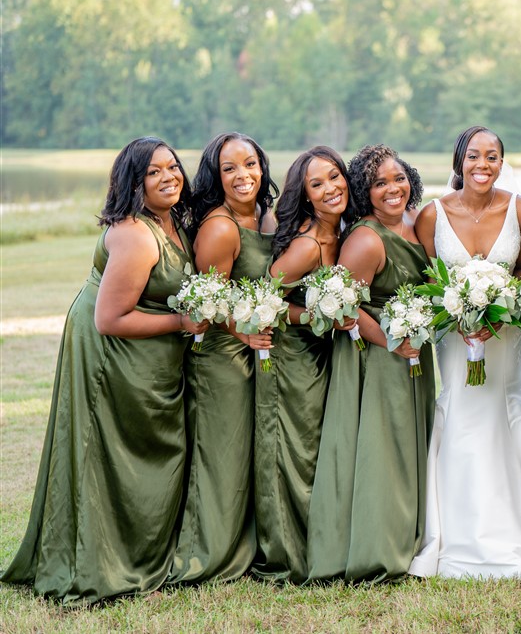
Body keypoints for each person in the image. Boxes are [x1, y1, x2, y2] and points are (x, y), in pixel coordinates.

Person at [0, 137, 208, 603]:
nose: (169, 176)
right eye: (154, 172)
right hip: (112, 352)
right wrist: (182, 322)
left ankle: (139, 548)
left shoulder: (173, 221)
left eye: (172, 166)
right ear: (134, 183)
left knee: (147, 446)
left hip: (148, 350)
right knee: (111, 451)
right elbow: (111, 319)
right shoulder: (136, 234)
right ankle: (103, 559)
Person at [408, 126, 521, 579]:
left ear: (501, 162)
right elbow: (425, 283)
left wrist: (502, 309)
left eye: (493, 157)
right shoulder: (432, 214)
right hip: (454, 338)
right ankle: (453, 534)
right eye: (474, 156)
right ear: (460, 161)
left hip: (507, 337)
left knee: (504, 411)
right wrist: (459, 316)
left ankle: (516, 529)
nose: (483, 165)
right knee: (461, 414)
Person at [307, 144, 434, 583]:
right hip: (377, 357)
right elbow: (345, 307)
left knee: (405, 448)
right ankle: (377, 548)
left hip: (411, 353)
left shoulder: (416, 224)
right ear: (365, 193)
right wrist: (393, 342)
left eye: (399, 178)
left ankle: (411, 537)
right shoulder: (365, 239)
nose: (393, 189)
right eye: (379, 183)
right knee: (383, 451)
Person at [170, 132, 278, 584]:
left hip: (252, 351)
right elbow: (208, 304)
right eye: (229, 168)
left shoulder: (262, 216)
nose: (242, 175)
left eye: (249, 164)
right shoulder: (220, 227)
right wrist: (248, 331)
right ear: (215, 174)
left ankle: (244, 544)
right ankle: (205, 554)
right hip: (222, 357)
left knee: (245, 453)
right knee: (222, 456)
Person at [252, 146, 351, 583]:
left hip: (320, 357)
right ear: (305, 196)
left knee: (313, 455)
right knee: (290, 455)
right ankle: (287, 555)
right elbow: (262, 302)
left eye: (335, 176)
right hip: (291, 359)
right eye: (317, 184)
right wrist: (314, 315)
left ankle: (320, 543)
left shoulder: (341, 233)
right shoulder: (309, 245)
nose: (331, 188)